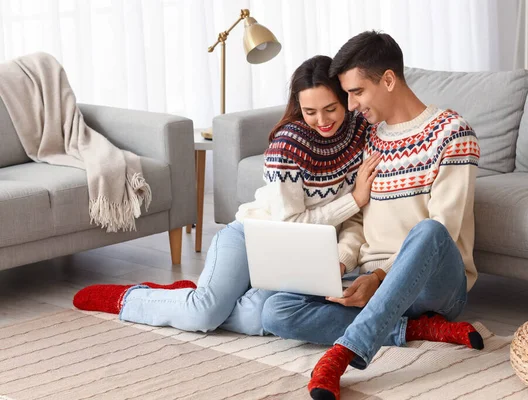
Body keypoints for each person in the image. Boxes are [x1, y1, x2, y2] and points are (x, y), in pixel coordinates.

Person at [72, 55, 381, 336]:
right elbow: (294, 223)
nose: (322, 121)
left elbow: (356, 219)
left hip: (297, 258)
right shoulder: (288, 145)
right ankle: (133, 298)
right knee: (203, 315)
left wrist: (340, 259)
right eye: (309, 111)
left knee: (255, 320)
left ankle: (203, 295)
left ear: (345, 101)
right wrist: (354, 198)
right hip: (250, 238)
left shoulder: (360, 134)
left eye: (331, 109)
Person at [260, 32, 484, 400]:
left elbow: (442, 232)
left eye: (356, 92)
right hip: (372, 278)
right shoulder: (373, 139)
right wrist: (342, 263)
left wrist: (379, 278)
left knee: (427, 229)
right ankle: (413, 329)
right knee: (276, 310)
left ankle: (344, 352)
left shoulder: (452, 134)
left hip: (436, 285)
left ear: (389, 80)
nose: (350, 105)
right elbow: (360, 221)